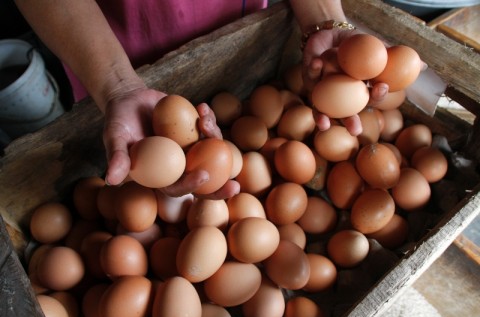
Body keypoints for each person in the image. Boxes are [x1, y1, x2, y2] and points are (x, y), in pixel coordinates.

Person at [14, 0, 387, 199]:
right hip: (103, 42)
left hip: (233, 24)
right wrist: (117, 86)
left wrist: (321, 16)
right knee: (122, 175)